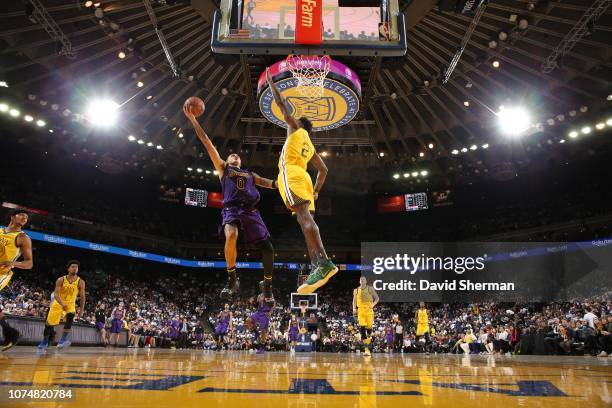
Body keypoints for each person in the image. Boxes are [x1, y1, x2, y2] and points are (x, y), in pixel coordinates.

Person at [184, 104, 277, 303]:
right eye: (231, 154)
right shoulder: (223, 168)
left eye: (237, 155)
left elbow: (272, 184)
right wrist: (193, 120)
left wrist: (287, 183)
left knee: (268, 249)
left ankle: (267, 285)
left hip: (251, 211)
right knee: (232, 234)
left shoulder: (251, 174)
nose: (234, 155)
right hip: (232, 209)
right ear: (227, 160)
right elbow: (207, 142)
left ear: (241, 161)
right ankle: (232, 278)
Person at [265, 68, 337, 294]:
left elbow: (282, 105)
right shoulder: (310, 146)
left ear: (299, 124)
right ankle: (318, 264)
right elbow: (323, 170)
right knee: (304, 220)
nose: (289, 124)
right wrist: (315, 191)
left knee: (304, 219)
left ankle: (324, 262)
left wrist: (271, 83)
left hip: (292, 173)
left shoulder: (295, 130)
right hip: (305, 178)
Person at [0, 209, 33, 351]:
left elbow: (29, 263)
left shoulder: (22, 238)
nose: (25, 218)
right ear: (12, 217)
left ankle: (10, 333)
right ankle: (10, 333)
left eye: (26, 217)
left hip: (2, 273)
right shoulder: (0, 231)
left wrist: (13, 263)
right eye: (22, 215)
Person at [38, 260, 86, 351]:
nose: (75, 268)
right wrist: (62, 303)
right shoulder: (61, 279)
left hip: (70, 304)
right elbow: (56, 294)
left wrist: (81, 310)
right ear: (68, 268)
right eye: (72, 266)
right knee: (48, 324)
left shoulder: (81, 282)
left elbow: (83, 297)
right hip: (58, 302)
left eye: (76, 267)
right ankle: (44, 341)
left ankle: (62, 340)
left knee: (70, 316)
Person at [352, 276, 379, 356]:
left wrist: (373, 305)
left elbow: (377, 298)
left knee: (369, 330)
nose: (362, 281)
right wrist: (354, 308)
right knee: (362, 329)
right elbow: (354, 301)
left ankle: (369, 338)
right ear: (359, 281)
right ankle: (366, 349)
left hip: (369, 310)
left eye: (364, 280)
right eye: (361, 280)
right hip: (360, 311)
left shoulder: (370, 288)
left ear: (366, 281)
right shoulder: (356, 290)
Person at [246, 281, 274, 354]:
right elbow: (257, 305)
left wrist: (270, 312)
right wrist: (252, 303)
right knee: (248, 320)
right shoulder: (259, 295)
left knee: (263, 332)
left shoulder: (270, 294)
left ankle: (262, 347)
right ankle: (256, 332)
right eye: (260, 286)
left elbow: (273, 304)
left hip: (265, 313)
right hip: (259, 312)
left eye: (262, 285)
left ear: (265, 286)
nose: (261, 287)